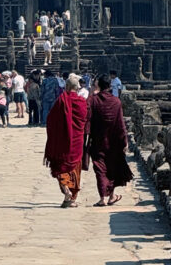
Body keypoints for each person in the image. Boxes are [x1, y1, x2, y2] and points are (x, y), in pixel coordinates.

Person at [87, 73, 134, 206]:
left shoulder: (93, 100)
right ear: (110, 86)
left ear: (99, 85)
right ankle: (111, 195)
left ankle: (104, 197)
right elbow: (120, 123)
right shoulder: (116, 101)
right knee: (111, 167)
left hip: (97, 140)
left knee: (100, 169)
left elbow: (87, 119)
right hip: (113, 141)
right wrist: (124, 140)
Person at [44, 73, 89, 208]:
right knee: (74, 168)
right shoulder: (81, 102)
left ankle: (67, 192)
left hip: (62, 140)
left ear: (67, 86)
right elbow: (84, 120)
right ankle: (71, 197)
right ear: (77, 87)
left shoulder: (61, 100)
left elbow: (50, 120)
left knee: (61, 166)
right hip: (76, 140)